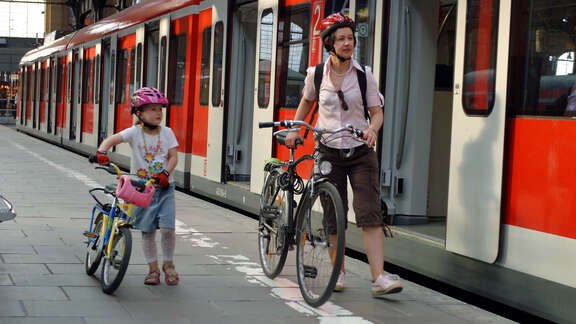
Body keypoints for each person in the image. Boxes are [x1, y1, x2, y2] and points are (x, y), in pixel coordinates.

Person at [285, 13, 402, 296]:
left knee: (369, 213)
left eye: (350, 38)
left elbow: (377, 113)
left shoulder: (365, 76)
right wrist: (296, 130)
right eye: (341, 39)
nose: (348, 43)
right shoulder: (316, 74)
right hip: (327, 151)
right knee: (332, 216)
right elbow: (306, 104)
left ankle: (379, 278)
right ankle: (338, 272)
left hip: (361, 152)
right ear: (329, 43)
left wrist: (373, 129)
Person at [95, 87, 180, 286]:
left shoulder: (167, 133)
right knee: (147, 231)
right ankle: (153, 270)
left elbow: (174, 156)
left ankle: (169, 265)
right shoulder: (134, 132)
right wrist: (101, 151)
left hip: (165, 188)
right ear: (139, 113)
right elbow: (111, 140)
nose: (158, 113)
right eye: (152, 109)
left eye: (160, 109)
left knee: (168, 229)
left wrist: (166, 173)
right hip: (142, 190)